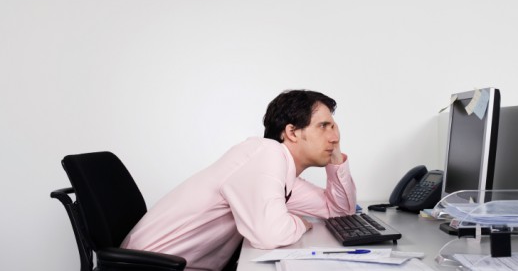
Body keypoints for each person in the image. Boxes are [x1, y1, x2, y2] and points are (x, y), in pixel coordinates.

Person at [121, 89, 357, 270]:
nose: (335, 136)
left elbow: (339, 211)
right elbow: (270, 234)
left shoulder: (281, 173)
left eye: (335, 127)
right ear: (292, 132)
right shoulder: (266, 154)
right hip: (147, 267)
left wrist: (336, 158)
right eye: (324, 126)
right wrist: (299, 223)